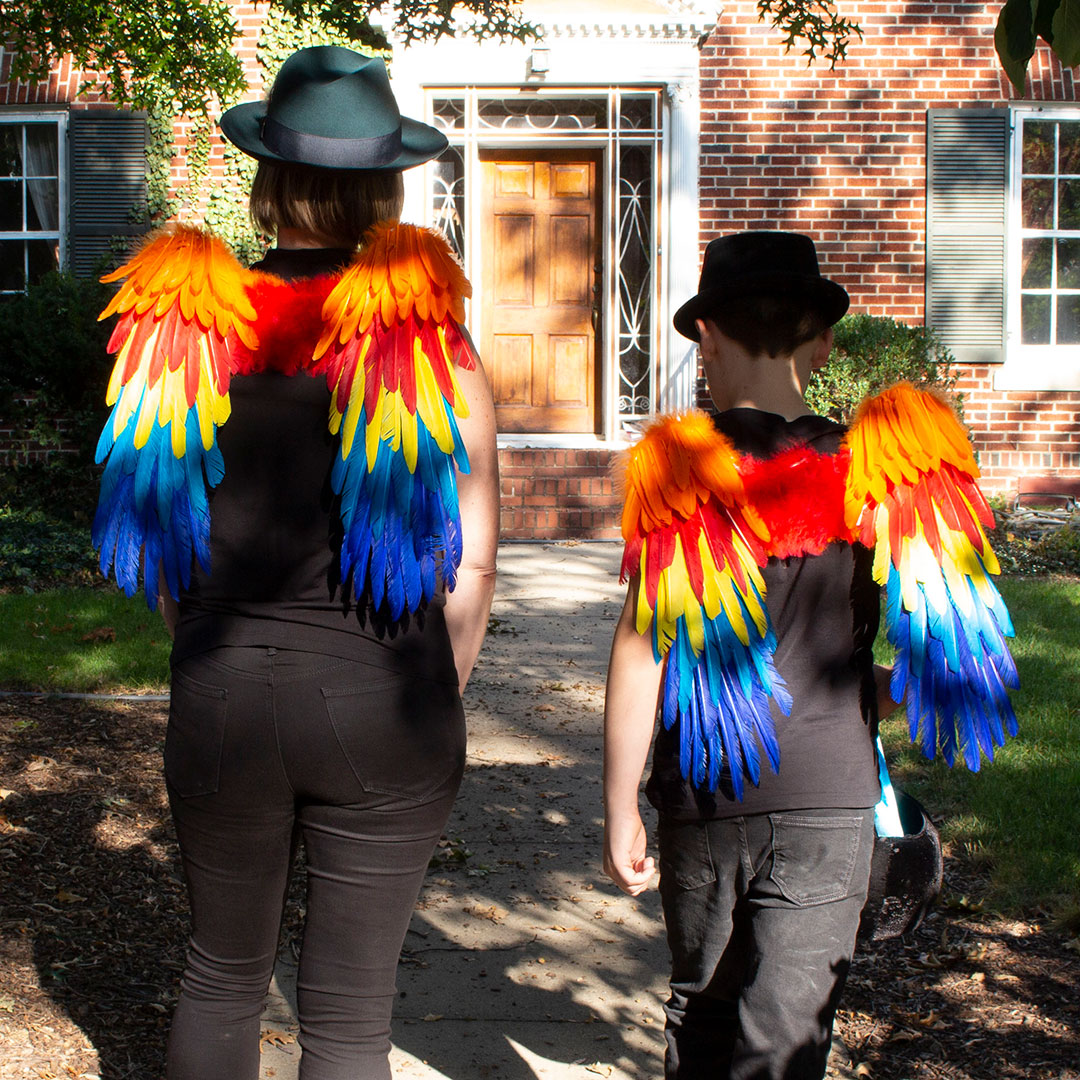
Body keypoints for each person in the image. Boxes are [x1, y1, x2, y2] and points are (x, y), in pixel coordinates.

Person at [92, 47, 499, 1080]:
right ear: (387, 186)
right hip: (387, 699)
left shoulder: (180, 336)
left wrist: (207, 655)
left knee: (221, 973)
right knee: (354, 1014)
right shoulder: (437, 347)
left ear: (266, 178)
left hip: (227, 693)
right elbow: (477, 560)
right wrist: (432, 691)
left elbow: (156, 543)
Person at [603, 229, 1019, 1079]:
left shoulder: (681, 471)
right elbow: (932, 659)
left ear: (705, 336)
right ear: (824, 342)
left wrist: (617, 808)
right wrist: (885, 687)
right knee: (787, 1035)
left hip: (703, 796)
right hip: (829, 802)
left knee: (700, 1013)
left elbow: (643, 650)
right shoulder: (875, 473)